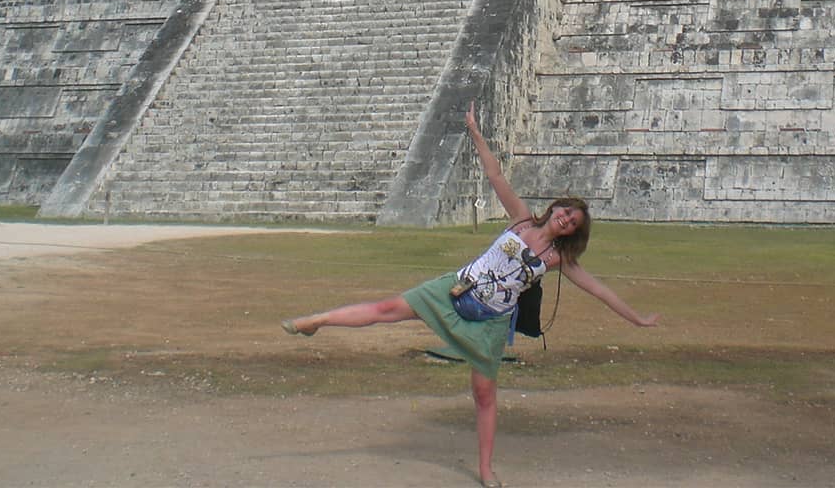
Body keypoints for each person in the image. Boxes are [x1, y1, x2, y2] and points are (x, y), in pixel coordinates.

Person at [281, 101, 659, 488]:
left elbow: (600, 291)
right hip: (455, 288)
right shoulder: (521, 218)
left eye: (572, 222)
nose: (565, 218)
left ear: (571, 233)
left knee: (484, 395)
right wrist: (475, 131)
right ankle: (317, 321)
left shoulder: (558, 259)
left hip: (490, 322)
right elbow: (493, 174)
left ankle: (485, 468)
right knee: (385, 308)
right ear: (556, 207)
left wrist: (637, 319)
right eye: (566, 211)